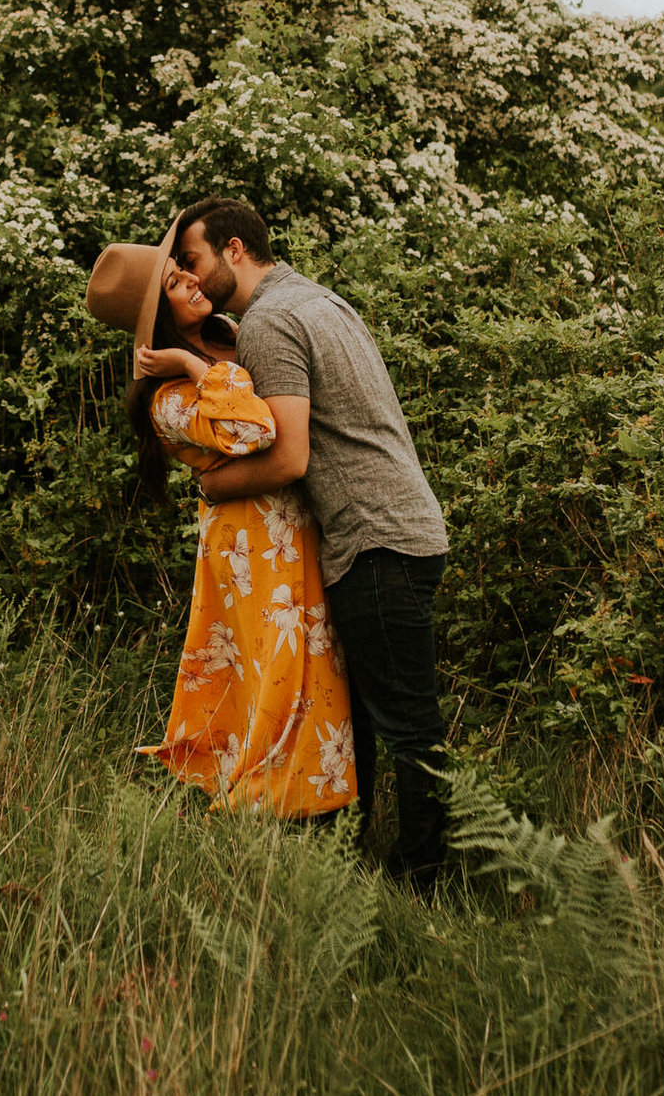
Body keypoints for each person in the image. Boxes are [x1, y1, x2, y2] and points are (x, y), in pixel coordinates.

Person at [170, 196, 454, 891]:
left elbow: (290, 455)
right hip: (403, 528)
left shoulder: (268, 321)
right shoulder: (316, 299)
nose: (193, 276)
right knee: (374, 720)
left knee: (407, 727)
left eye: (196, 260)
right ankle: (367, 864)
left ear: (234, 249)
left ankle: (425, 877)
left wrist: (211, 487)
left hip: (372, 537)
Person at [85, 211, 356, 818]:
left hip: (295, 532)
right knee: (280, 674)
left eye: (186, 270)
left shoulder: (235, 336)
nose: (193, 281)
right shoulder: (169, 399)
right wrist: (187, 366)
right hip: (253, 548)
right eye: (177, 284)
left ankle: (327, 804)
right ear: (158, 317)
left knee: (319, 671)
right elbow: (252, 428)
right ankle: (278, 812)